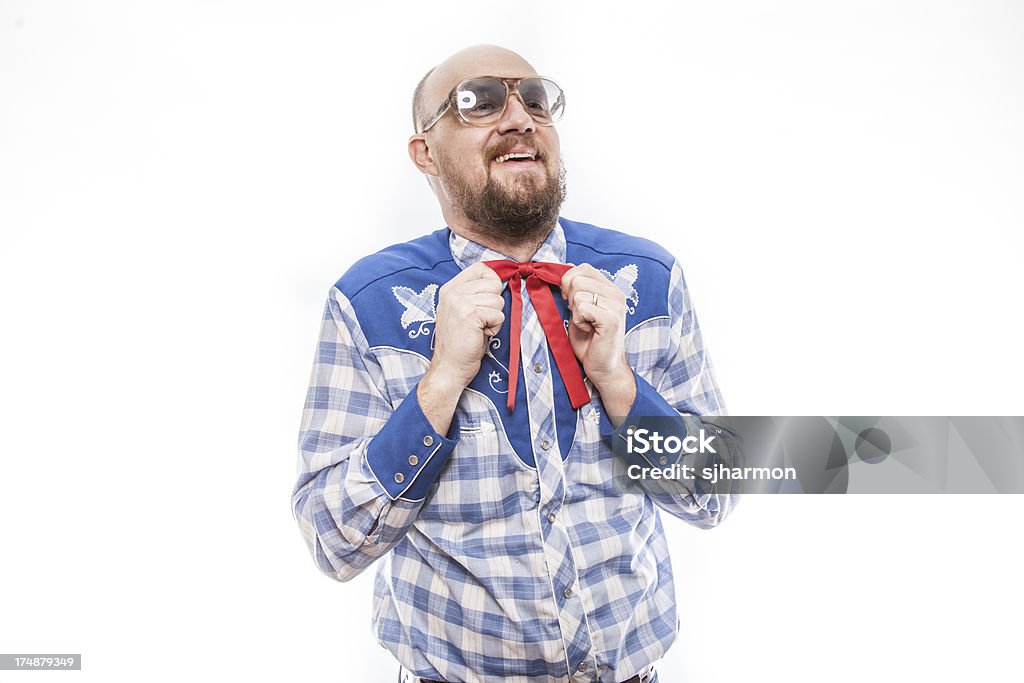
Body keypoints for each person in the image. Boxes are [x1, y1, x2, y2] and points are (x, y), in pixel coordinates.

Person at [292, 44, 739, 683]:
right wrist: (441, 379)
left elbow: (715, 494)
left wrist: (617, 381)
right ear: (424, 152)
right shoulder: (368, 303)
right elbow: (331, 540)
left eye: (536, 100)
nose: (519, 118)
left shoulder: (647, 279)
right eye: (477, 101)